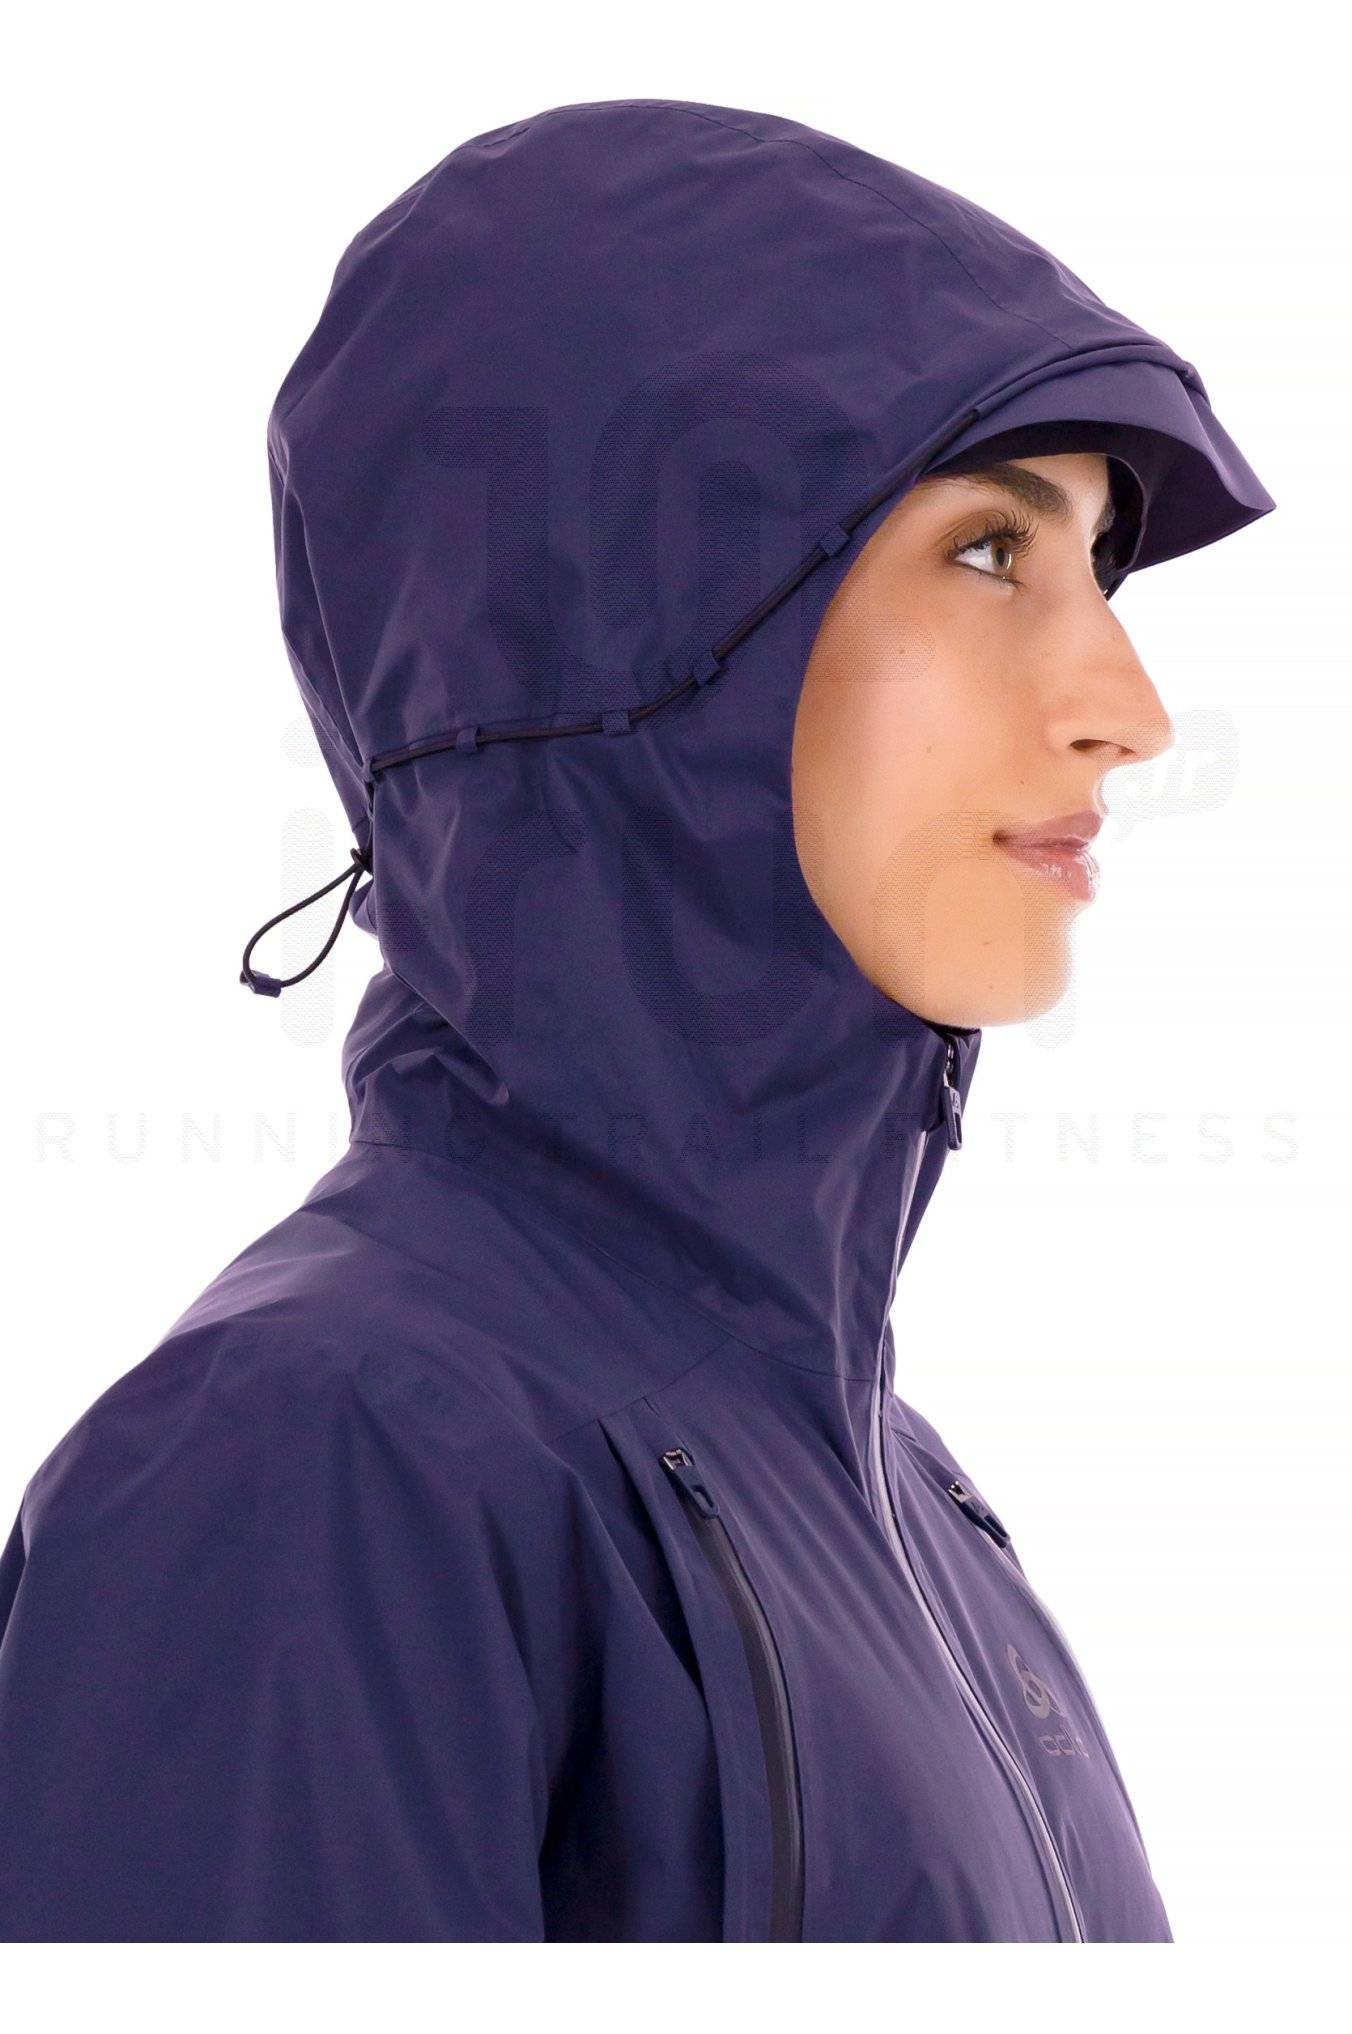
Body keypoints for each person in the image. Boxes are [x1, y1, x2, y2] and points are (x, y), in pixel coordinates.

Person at [0, 99, 1274, 1942]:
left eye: (1099, 564)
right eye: (993, 550)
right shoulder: (313, 1461)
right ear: (625, 644)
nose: (1130, 708)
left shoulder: (895, 1497)